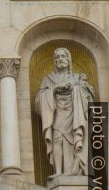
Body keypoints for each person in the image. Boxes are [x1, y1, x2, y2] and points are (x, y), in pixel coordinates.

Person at [35, 47, 94, 176]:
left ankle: (75, 170)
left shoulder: (77, 78)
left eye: (63, 56)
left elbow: (89, 99)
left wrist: (81, 88)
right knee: (57, 138)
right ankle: (58, 172)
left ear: (68, 59)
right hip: (57, 113)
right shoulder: (48, 79)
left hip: (75, 113)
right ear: (55, 62)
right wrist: (56, 88)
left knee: (75, 139)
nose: (60, 59)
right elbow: (39, 100)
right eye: (57, 57)